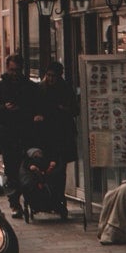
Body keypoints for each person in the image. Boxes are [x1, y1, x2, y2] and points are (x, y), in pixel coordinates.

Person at [0, 55, 38, 214]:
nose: (14, 73)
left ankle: (30, 199)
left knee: (27, 167)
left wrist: (27, 112)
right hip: (7, 134)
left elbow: (36, 107)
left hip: (26, 133)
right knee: (11, 169)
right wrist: (4, 108)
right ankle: (14, 202)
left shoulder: (30, 87)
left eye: (17, 70)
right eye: (12, 70)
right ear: (7, 68)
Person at [34, 61, 76, 218]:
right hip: (45, 135)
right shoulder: (40, 89)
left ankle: (59, 201)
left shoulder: (65, 89)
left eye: (54, 76)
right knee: (46, 167)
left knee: (60, 170)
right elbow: (35, 108)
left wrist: (64, 110)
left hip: (61, 135)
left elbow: (74, 109)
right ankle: (49, 200)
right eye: (49, 75)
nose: (50, 79)